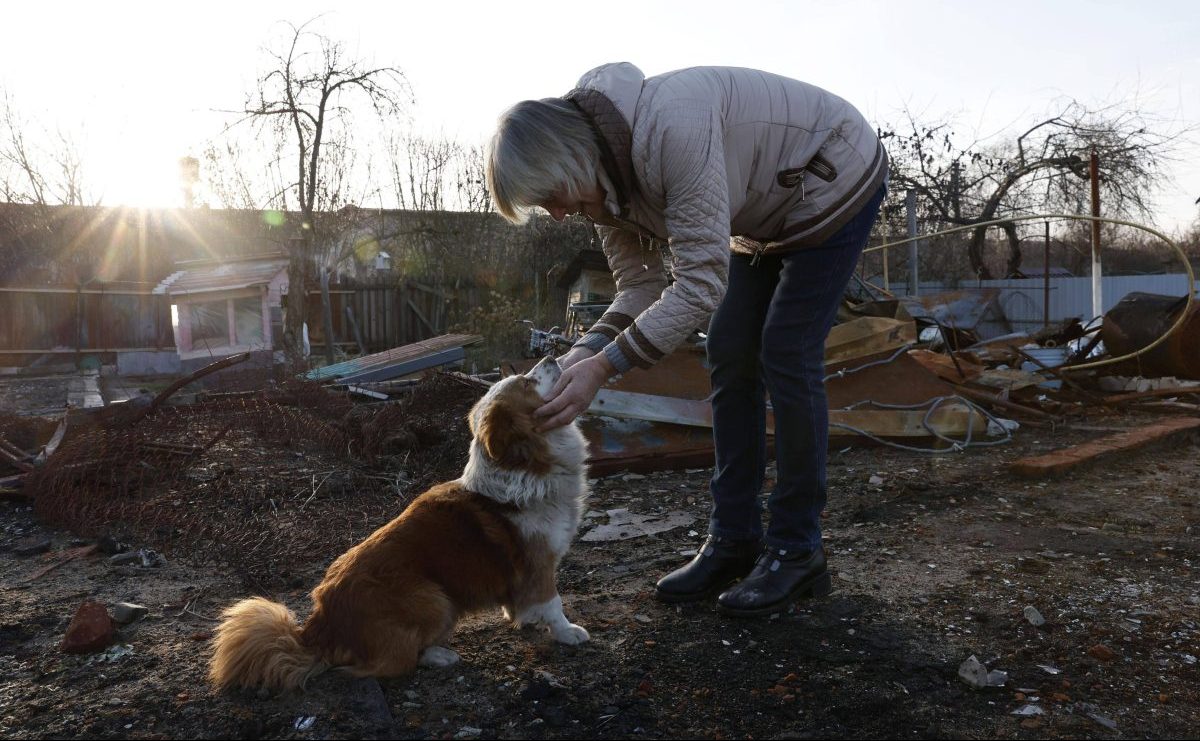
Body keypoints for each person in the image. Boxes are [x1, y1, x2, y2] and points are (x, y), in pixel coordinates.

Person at [485, 63, 886, 617]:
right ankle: (734, 537)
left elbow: (700, 284)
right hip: (763, 213)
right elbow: (639, 287)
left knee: (785, 350)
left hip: (832, 174)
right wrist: (583, 353)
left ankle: (797, 549)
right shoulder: (602, 185)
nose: (556, 214)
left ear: (569, 157)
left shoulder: (673, 128)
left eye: (552, 195)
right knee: (729, 348)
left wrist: (606, 368)